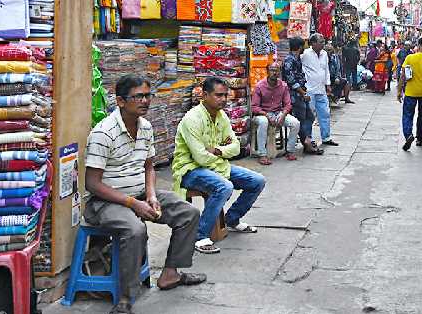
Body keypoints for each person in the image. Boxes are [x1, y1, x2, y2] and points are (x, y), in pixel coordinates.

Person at [85, 75, 206, 314]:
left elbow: (149, 166)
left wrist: (150, 195)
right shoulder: (103, 133)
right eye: (138, 96)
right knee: (135, 229)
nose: (145, 101)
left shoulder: (146, 127)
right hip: (106, 201)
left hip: (139, 193)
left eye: (147, 95)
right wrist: (132, 203)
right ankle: (125, 296)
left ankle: (171, 272)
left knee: (188, 213)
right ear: (120, 101)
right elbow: (92, 184)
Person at [173, 77, 266, 254]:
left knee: (257, 181)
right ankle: (200, 236)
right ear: (205, 95)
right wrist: (223, 151)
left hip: (217, 165)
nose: (223, 99)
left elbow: (236, 147)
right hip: (190, 169)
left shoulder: (221, 116)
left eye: (225, 95)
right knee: (224, 186)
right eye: (218, 95)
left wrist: (216, 150)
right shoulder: (192, 119)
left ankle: (232, 219)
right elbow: (199, 158)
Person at [250, 62, 300, 165]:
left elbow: (288, 104)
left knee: (295, 123)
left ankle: (290, 150)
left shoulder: (283, 86)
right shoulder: (259, 86)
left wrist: (283, 114)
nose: (274, 72)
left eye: (277, 70)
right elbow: (254, 107)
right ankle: (262, 154)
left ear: (279, 72)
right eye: (272, 70)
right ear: (268, 71)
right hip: (262, 114)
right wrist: (266, 115)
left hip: (278, 113)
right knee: (264, 122)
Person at [282, 37, 323, 155]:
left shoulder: (296, 59)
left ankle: (307, 141)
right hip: (294, 95)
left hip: (301, 93)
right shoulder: (289, 60)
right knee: (301, 118)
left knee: (309, 116)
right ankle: (307, 143)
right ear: (300, 47)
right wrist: (302, 92)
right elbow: (291, 80)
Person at [398, 36, 422, 151]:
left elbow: (403, 76)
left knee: (407, 115)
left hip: (410, 92)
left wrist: (399, 91)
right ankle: (419, 139)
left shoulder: (410, 58)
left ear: (419, 45)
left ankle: (408, 135)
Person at [301, 33, 339, 146]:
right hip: (309, 89)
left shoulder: (324, 54)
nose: (323, 44)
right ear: (313, 43)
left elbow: (326, 69)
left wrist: (328, 84)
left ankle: (326, 137)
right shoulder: (305, 54)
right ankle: (309, 139)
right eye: (321, 42)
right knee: (309, 116)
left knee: (325, 113)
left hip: (321, 89)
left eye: (323, 42)